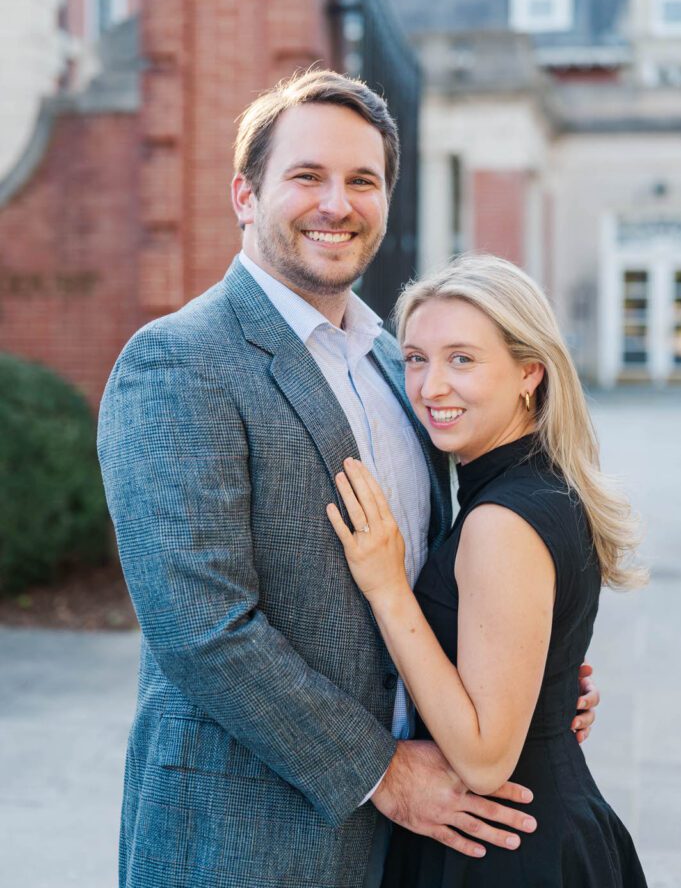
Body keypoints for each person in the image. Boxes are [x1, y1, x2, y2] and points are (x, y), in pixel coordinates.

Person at [97, 71, 597, 888]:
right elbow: (201, 628)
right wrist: (382, 772)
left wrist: (516, 681)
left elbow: (448, 564)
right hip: (248, 835)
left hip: (409, 843)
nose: (337, 203)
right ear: (245, 194)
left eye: (362, 181)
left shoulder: (396, 365)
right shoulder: (178, 362)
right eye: (306, 176)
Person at [328, 252, 647, 887]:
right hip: (528, 833)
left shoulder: (500, 522)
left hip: (506, 849)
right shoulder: (540, 485)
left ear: (530, 372)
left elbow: (481, 760)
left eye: (462, 359)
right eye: (416, 358)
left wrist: (389, 589)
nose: (430, 386)